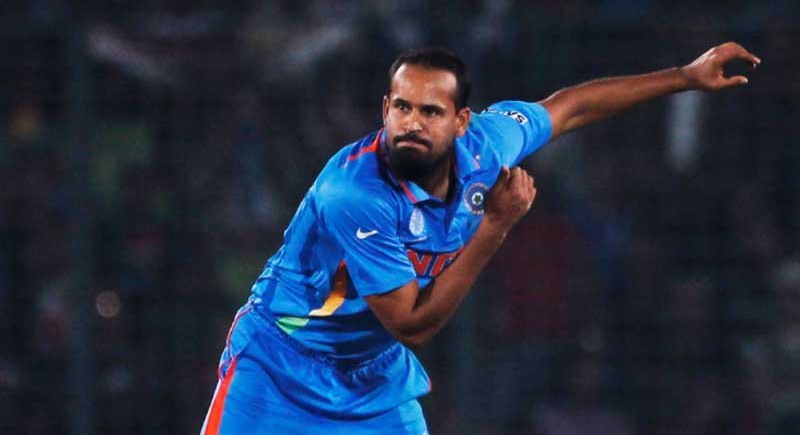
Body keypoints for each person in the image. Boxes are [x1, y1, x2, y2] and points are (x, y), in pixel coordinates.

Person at [200, 42, 760, 435]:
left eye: (431, 111)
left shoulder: (487, 147)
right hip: (279, 364)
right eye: (402, 108)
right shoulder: (355, 193)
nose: (412, 123)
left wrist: (685, 77)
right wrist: (495, 227)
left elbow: (570, 108)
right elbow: (414, 324)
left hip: (372, 377)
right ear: (385, 109)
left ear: (461, 121)